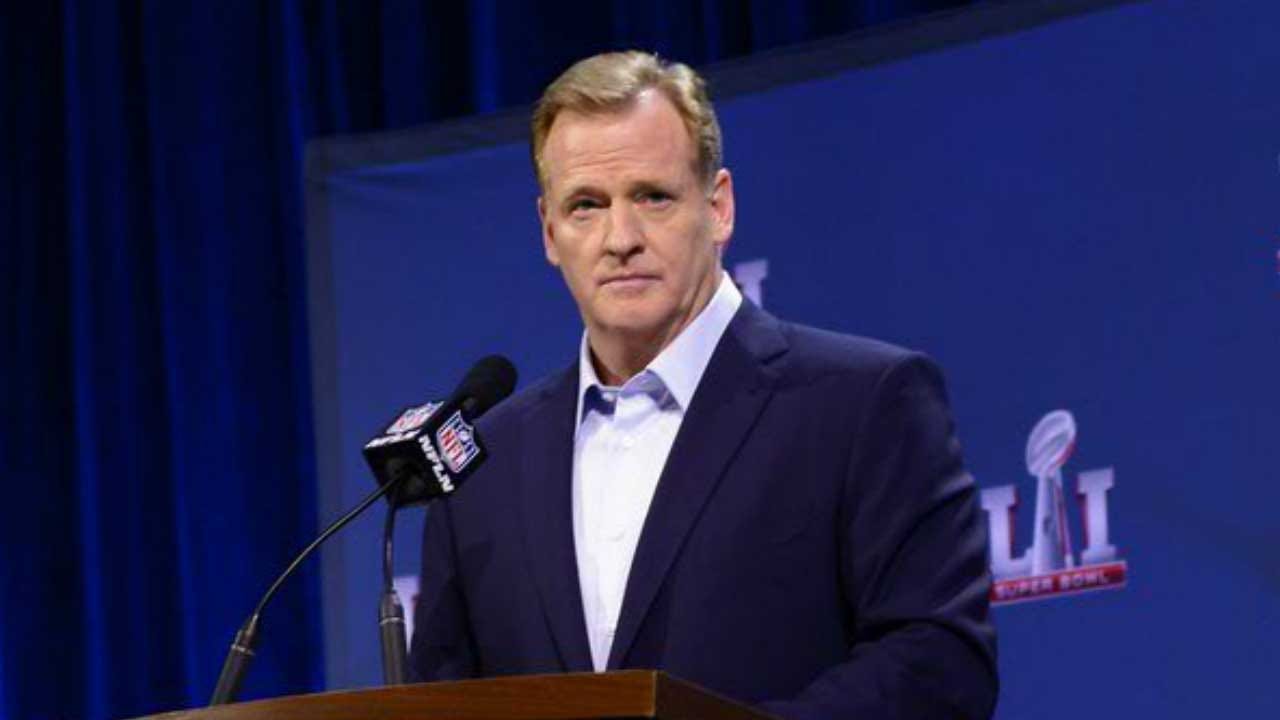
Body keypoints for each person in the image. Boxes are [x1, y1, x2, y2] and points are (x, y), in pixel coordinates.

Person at [409, 51, 997, 720]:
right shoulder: (483, 468)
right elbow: (443, 704)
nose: (620, 237)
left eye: (652, 197)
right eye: (586, 206)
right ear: (549, 231)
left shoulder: (865, 403)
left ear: (719, 207)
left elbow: (938, 664)